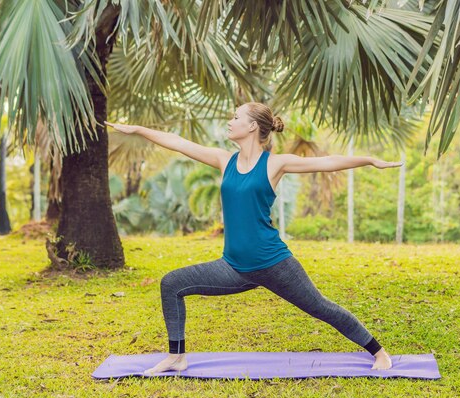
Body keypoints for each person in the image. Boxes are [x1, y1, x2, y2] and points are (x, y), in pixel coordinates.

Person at [105, 102, 402, 374]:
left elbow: (327, 162)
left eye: (236, 116)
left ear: (251, 127)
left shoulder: (274, 164)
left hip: (275, 263)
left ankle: (378, 352)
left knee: (321, 307)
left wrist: (369, 160)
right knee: (172, 283)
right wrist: (137, 130)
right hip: (233, 267)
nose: (230, 121)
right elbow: (178, 143)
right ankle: (177, 356)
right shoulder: (224, 160)